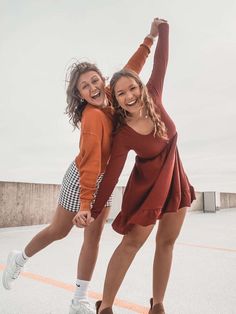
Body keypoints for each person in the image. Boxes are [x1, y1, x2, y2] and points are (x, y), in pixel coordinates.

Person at [2, 19, 160, 314]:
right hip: (82, 179)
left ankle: (78, 300)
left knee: (93, 238)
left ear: (103, 80)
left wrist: (149, 39)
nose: (93, 88)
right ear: (80, 95)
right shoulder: (92, 119)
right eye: (85, 87)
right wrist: (86, 204)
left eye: (95, 81)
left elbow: (132, 68)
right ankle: (19, 258)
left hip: (105, 178)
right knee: (59, 231)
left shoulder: (112, 95)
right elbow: (89, 164)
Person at [75, 20, 196, 314]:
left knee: (166, 243)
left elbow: (161, 61)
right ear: (115, 99)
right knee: (132, 245)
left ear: (140, 86)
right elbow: (113, 175)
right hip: (146, 190)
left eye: (132, 88)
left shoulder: (153, 94)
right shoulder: (123, 134)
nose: (129, 96)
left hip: (175, 179)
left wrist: (161, 30)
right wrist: (91, 207)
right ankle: (106, 305)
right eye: (121, 94)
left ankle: (158, 304)